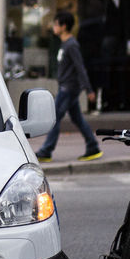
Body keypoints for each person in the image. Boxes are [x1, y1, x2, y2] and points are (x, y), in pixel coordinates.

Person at [36, 10, 102, 163]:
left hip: (69, 88)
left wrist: (89, 89)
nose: (53, 27)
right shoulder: (65, 43)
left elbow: (80, 68)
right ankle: (92, 146)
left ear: (64, 26)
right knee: (77, 118)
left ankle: (46, 151)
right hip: (66, 87)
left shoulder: (72, 45)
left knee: (54, 118)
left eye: (56, 24)